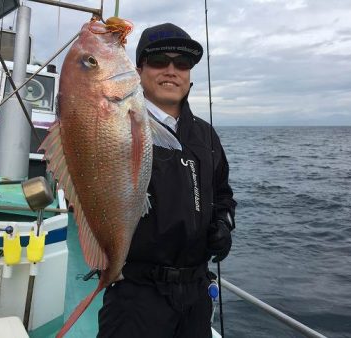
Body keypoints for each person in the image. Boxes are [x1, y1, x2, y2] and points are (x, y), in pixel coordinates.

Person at [98, 23, 237, 338]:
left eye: (182, 63)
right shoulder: (115, 125)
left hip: (196, 294)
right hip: (136, 295)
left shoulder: (205, 134)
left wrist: (223, 225)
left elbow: (224, 194)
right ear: (138, 70)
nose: (171, 70)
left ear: (189, 75)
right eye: (160, 61)